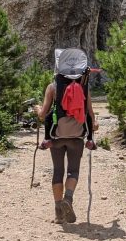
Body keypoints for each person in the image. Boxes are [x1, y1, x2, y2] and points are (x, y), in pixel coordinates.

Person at [34, 66, 98, 224]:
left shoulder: (53, 87)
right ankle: (68, 199)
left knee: (57, 171)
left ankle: (58, 213)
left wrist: (37, 110)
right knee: (73, 171)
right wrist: (93, 127)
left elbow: (43, 115)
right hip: (76, 136)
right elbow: (90, 114)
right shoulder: (83, 87)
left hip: (56, 136)